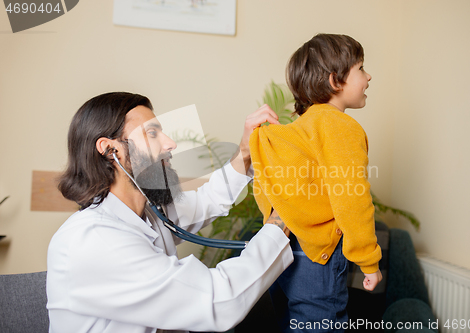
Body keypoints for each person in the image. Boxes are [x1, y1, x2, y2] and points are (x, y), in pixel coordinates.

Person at [46, 92, 293, 333]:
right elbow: (219, 301)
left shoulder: (147, 213)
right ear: (112, 151)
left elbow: (210, 199)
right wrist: (281, 220)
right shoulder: (94, 240)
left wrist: (245, 152)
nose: (170, 143)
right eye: (152, 133)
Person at [249, 34, 383, 332]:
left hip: (280, 248)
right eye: (361, 68)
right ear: (336, 80)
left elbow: (270, 188)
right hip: (317, 256)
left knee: (290, 324)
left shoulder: (297, 128)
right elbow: (352, 198)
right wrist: (368, 260)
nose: (368, 76)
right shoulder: (340, 126)